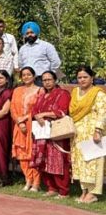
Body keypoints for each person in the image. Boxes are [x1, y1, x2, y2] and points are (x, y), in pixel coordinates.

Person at [31, 71, 71, 199]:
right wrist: (37, 116)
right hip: (42, 133)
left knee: (58, 161)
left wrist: (43, 114)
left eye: (49, 79)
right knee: (45, 160)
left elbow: (62, 111)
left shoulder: (62, 94)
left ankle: (63, 191)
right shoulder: (42, 96)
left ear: (55, 80)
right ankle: (51, 187)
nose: (47, 82)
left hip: (56, 133)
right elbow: (34, 110)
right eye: (44, 80)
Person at [70, 66, 106, 203]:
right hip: (78, 132)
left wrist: (98, 130)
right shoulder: (75, 92)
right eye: (79, 77)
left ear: (92, 78)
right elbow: (72, 111)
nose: (82, 80)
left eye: (85, 77)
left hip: (93, 132)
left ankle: (93, 193)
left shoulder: (98, 93)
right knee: (80, 162)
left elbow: (103, 113)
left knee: (93, 162)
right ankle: (84, 191)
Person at [10, 67, 41, 191]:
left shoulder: (39, 90)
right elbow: (12, 107)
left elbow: (39, 108)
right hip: (19, 125)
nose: (26, 77)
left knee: (33, 154)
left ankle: (36, 183)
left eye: (29, 74)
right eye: (24, 75)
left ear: (34, 76)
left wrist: (25, 119)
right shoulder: (17, 90)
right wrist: (18, 121)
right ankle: (28, 179)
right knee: (22, 154)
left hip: (32, 125)